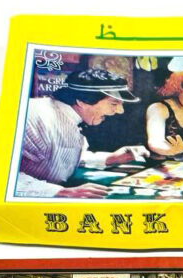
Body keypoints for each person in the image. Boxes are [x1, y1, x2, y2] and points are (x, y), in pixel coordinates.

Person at [16, 69, 147, 198]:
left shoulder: (69, 116)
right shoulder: (32, 115)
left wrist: (111, 158)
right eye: (114, 103)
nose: (120, 111)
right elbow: (6, 174)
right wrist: (60, 192)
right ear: (82, 102)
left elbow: (58, 156)